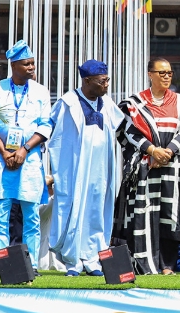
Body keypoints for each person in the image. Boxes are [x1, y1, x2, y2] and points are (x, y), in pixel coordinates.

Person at [47, 60, 124, 276]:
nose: (107, 84)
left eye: (108, 80)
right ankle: (73, 261)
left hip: (100, 170)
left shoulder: (107, 103)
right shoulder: (67, 102)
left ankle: (93, 259)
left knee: (96, 212)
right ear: (87, 80)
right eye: (103, 81)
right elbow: (55, 135)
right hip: (75, 170)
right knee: (74, 210)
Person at [0, 41, 53, 269]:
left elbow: (45, 125)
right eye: (26, 64)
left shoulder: (41, 91)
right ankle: (0, 265)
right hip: (1, 160)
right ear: (13, 65)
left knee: (31, 215)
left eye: (32, 63)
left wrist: (24, 149)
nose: (32, 67)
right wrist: (4, 152)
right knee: (1, 216)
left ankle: (30, 265)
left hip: (29, 160)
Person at [117, 58, 180, 275]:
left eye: (169, 72)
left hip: (173, 165)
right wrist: (152, 151)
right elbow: (129, 132)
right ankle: (146, 264)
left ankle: (168, 265)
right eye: (162, 73)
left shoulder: (179, 100)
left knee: (171, 216)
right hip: (145, 166)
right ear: (150, 74)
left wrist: (167, 152)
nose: (167, 76)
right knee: (145, 215)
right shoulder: (136, 102)